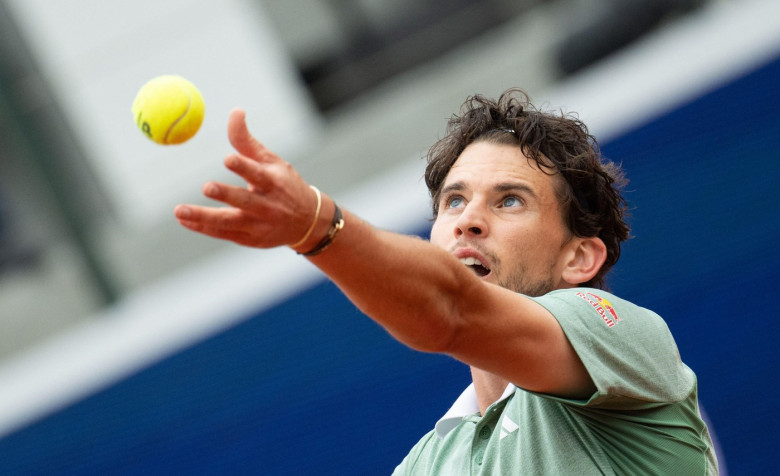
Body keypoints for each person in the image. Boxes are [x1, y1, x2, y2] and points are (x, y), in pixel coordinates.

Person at [174, 89, 718, 475]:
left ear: (579, 258)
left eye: (510, 200)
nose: (467, 220)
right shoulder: (424, 467)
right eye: (454, 200)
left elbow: (450, 313)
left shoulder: (624, 340)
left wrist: (318, 227)